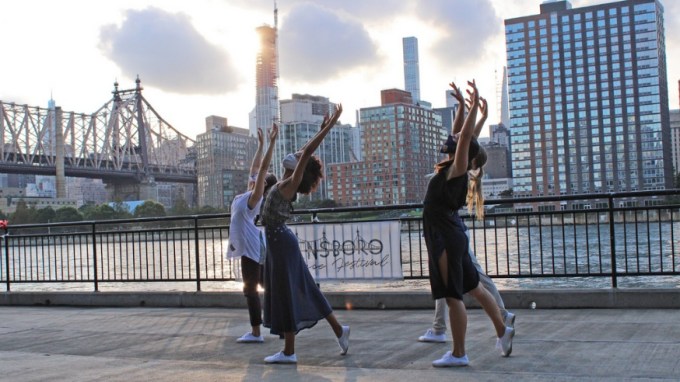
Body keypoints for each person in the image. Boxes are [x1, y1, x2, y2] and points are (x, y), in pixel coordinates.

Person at [422, 80, 514, 368]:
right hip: (451, 235)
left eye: (460, 138)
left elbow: (464, 139)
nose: (456, 135)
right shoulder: (453, 167)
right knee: (475, 287)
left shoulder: (456, 170)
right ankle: (503, 330)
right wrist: (462, 106)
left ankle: (459, 353)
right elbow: (462, 136)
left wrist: (473, 107)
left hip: (445, 238)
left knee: (452, 296)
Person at [261, 105, 349, 364]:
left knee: (287, 292)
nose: (295, 154)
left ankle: (289, 352)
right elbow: (307, 150)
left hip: (280, 241)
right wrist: (322, 128)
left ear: (299, 167)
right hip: (280, 240)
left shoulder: (289, 184)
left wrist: (331, 126)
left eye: (299, 157)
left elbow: (308, 152)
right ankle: (339, 330)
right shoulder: (284, 181)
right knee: (305, 287)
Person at [227, 125, 279, 344]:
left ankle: (257, 332)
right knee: (267, 285)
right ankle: (283, 320)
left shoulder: (253, 200)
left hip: (250, 246)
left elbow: (263, 167)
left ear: (262, 185)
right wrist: (260, 145)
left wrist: (272, 143)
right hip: (252, 245)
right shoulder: (247, 194)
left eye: (259, 179)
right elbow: (256, 165)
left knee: (250, 289)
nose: (255, 176)